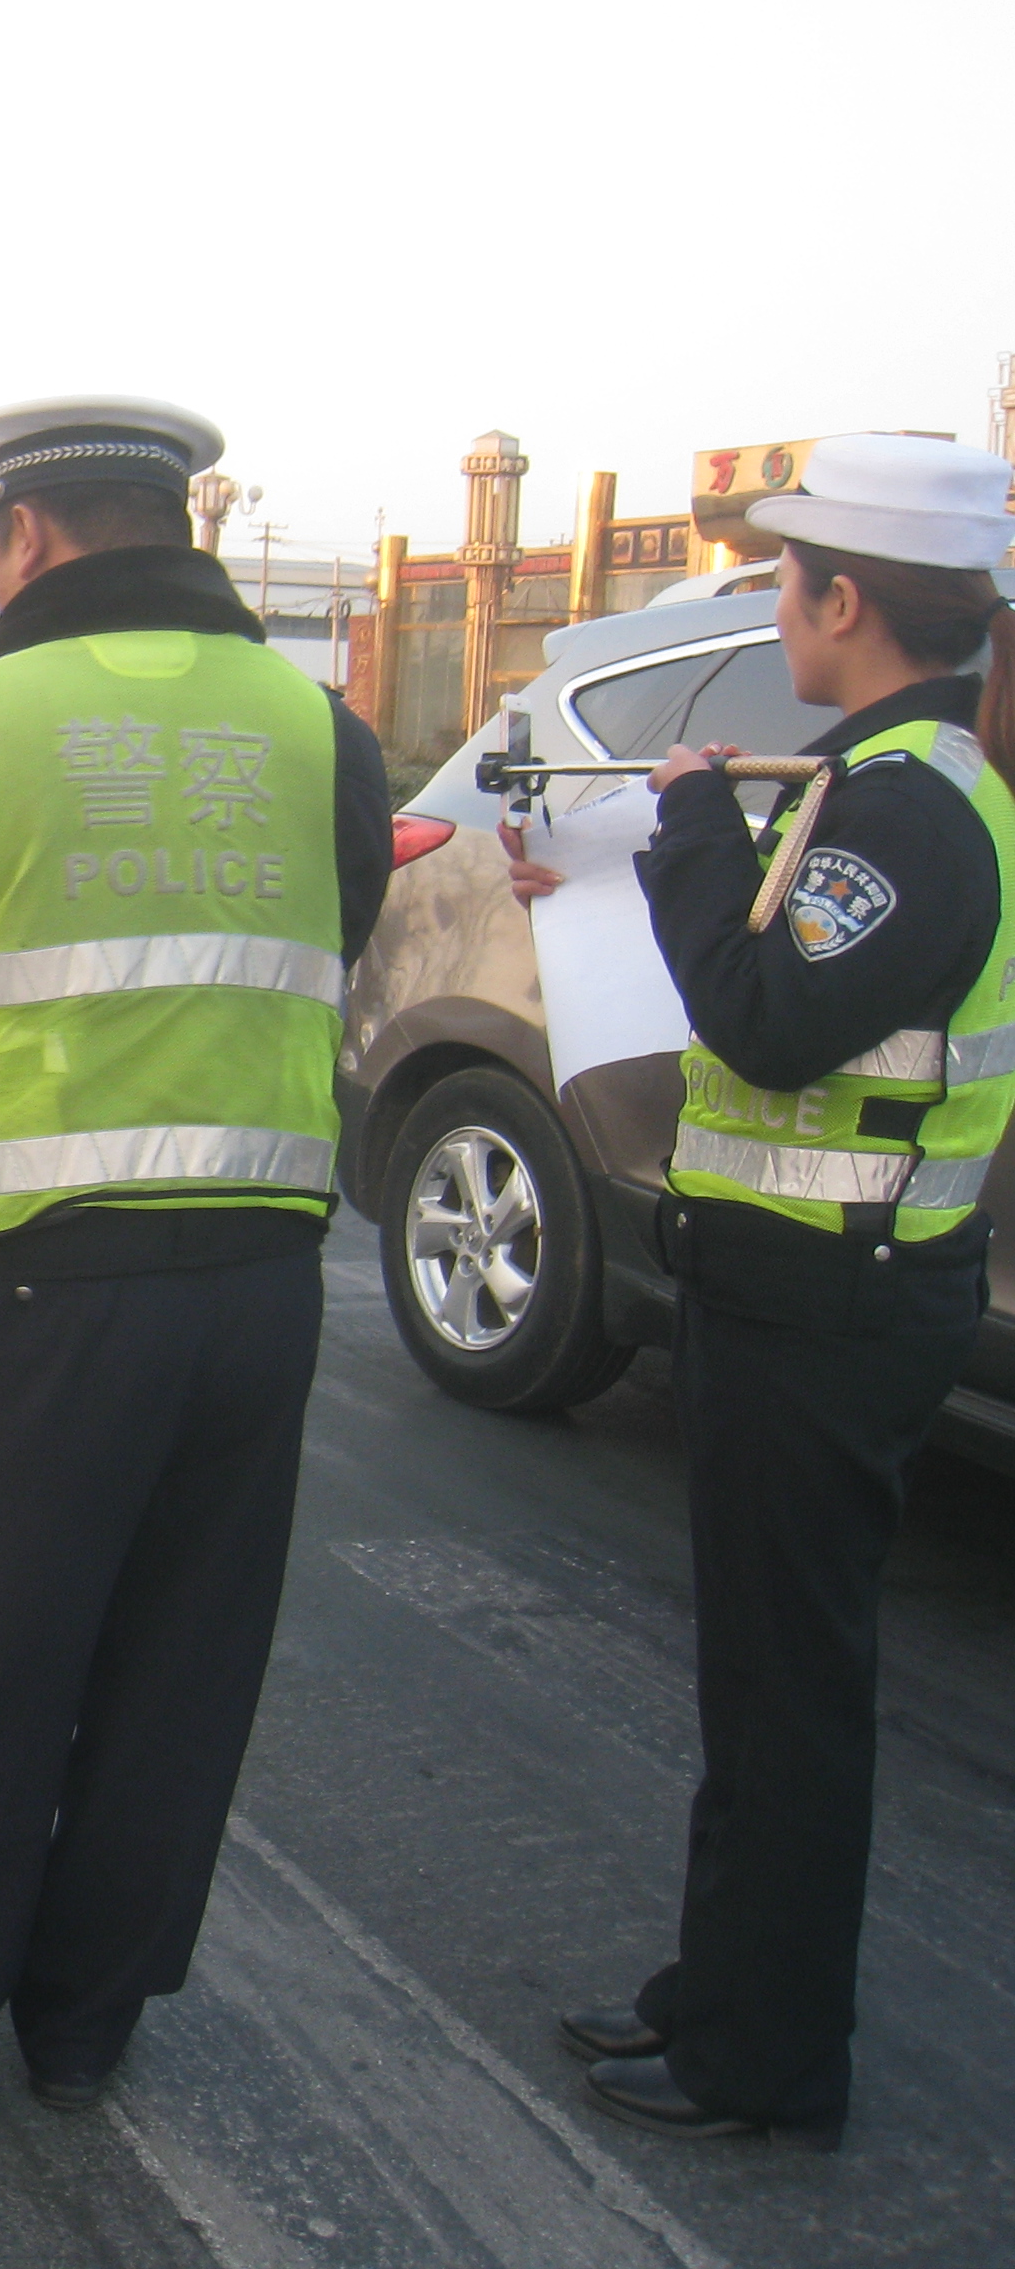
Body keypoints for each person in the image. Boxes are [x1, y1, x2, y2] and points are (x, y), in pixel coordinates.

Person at [0, 398, 392, 2133]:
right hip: (262, 1283)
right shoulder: (319, 729)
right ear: (176, 526)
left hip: (40, 1294)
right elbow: (330, 930)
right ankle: (80, 2023)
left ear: (19, 539)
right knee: (172, 1672)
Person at [504, 434, 1015, 2152]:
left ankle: (765, 2054)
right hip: (792, 1296)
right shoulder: (864, 783)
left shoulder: (910, 809)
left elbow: (768, 1016)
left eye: (784, 578)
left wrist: (689, 834)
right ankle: (712, 1992)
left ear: (842, 598)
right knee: (755, 1685)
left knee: (788, 1699)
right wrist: (646, 860)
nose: (774, 605)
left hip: (831, 1310)